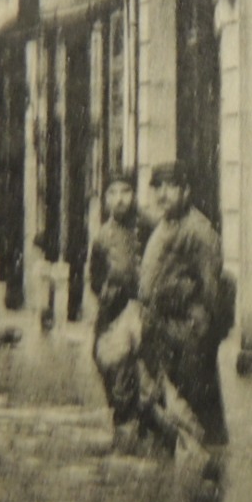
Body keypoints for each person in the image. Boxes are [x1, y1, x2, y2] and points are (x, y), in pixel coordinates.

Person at [139, 161, 230, 459]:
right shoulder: (165, 224)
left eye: (172, 186)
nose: (163, 194)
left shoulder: (199, 231)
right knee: (173, 414)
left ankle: (208, 480)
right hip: (162, 332)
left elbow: (211, 293)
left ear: (186, 190)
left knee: (199, 415)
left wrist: (198, 338)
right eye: (158, 187)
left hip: (187, 335)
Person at [88, 168, 165, 453]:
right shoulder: (102, 237)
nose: (119, 199)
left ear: (134, 195)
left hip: (148, 311)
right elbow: (95, 278)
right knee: (109, 363)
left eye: (125, 192)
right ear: (105, 200)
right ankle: (125, 427)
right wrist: (107, 291)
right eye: (113, 194)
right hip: (114, 314)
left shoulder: (149, 226)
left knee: (151, 373)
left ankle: (147, 425)